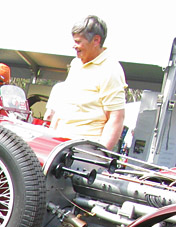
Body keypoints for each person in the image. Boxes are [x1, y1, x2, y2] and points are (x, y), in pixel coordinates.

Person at [48, 16, 127, 150]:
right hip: (59, 144)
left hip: (82, 149)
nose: (74, 46)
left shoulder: (110, 70)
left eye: (78, 42)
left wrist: (99, 156)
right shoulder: (76, 63)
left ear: (96, 40)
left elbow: (116, 117)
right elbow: (64, 105)